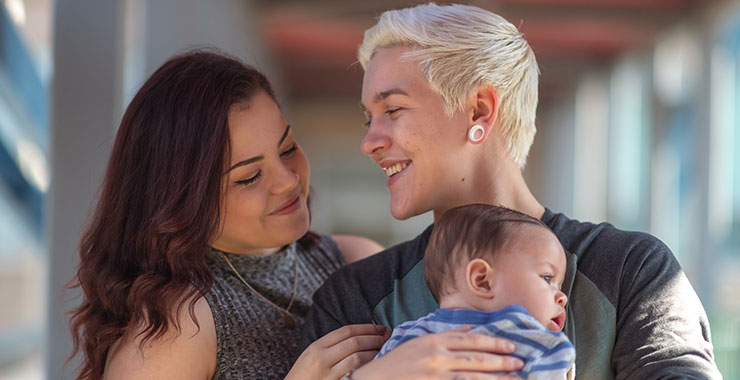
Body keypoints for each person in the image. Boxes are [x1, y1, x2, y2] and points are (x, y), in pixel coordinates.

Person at [303, 3, 722, 379]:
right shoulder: (355, 297)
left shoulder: (631, 270)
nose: (369, 141)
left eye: (392, 110)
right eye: (368, 119)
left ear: (480, 110)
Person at [67, 50, 390, 380]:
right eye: (249, 177)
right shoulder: (176, 327)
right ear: (182, 200)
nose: (288, 180)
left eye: (288, 148)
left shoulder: (355, 261)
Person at [376, 204, 576, 380]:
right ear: (483, 280)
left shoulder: (404, 338)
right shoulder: (540, 347)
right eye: (547, 278)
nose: (562, 297)